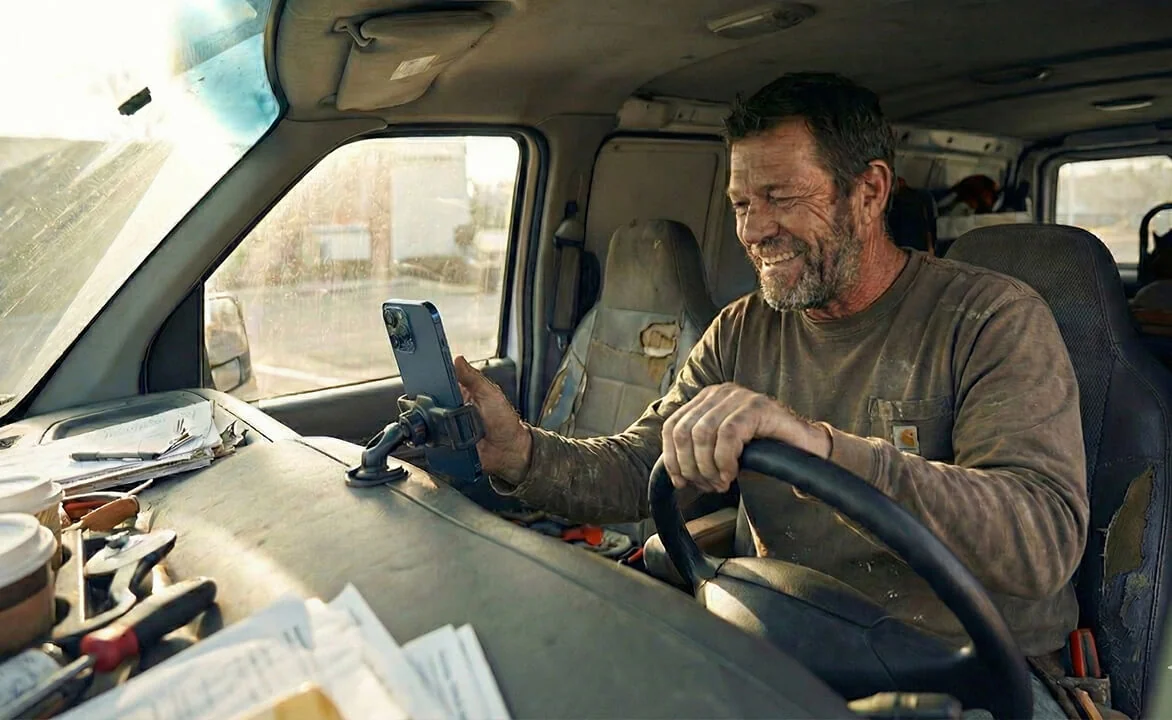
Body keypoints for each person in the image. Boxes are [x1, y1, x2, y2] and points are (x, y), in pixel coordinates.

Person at [454, 72, 1088, 719]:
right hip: (792, 634)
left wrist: (823, 450)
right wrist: (520, 453)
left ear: (869, 192)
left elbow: (1041, 541)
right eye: (740, 204)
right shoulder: (742, 331)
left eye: (779, 197)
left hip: (979, 673)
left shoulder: (990, 319)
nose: (754, 231)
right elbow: (642, 466)